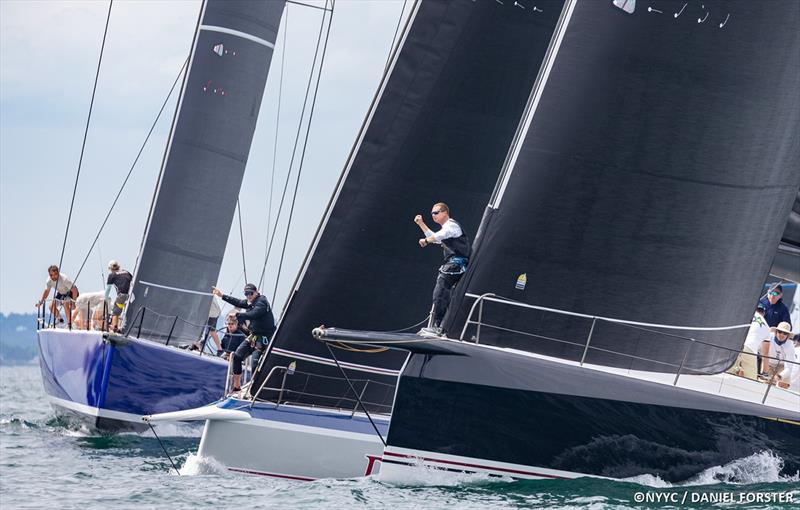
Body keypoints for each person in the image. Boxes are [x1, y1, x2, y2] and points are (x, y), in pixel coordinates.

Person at [414, 202, 470, 337]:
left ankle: (438, 326)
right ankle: (439, 325)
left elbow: (439, 236)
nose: (433, 216)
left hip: (457, 264)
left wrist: (426, 241)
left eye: (436, 213)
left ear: (445, 212)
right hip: (455, 264)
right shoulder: (446, 229)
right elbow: (438, 238)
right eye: (432, 214)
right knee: (442, 290)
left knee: (441, 289)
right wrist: (421, 224)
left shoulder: (451, 226)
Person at [212, 283, 276, 392]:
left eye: (250, 293)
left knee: (255, 364)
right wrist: (222, 296)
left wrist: (237, 315)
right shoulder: (250, 302)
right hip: (254, 336)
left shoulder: (262, 302)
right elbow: (239, 302)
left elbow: (253, 314)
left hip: (264, 339)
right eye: (246, 294)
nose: (248, 296)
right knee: (237, 357)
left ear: (256, 292)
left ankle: (256, 390)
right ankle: (236, 387)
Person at [728, 303, 769, 380]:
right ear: (763, 313)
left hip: (734, 346)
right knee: (751, 380)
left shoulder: (744, 315)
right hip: (750, 349)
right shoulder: (766, 326)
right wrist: (765, 373)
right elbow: (765, 354)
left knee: (726, 373)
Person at [758, 321, 796, 389]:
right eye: (780, 332)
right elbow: (760, 351)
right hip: (768, 363)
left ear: (787, 335)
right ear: (776, 332)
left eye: (785, 333)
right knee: (764, 384)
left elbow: (789, 367)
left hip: (782, 365)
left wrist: (780, 376)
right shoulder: (768, 337)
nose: (782, 334)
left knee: (784, 384)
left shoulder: (790, 346)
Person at [105, 260, 132, 332]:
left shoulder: (112, 275)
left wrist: (105, 299)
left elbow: (108, 289)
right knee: (127, 311)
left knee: (115, 312)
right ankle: (125, 328)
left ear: (110, 268)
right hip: (130, 296)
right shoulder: (127, 272)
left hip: (122, 296)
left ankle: (114, 328)